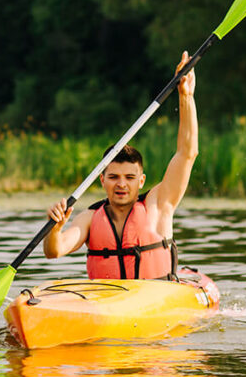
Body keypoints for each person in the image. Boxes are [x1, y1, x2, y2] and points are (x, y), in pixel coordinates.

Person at [43, 51, 197, 280]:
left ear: (141, 180)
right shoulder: (90, 218)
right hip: (109, 302)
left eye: (129, 177)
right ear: (102, 179)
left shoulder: (159, 204)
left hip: (157, 297)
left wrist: (185, 97)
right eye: (114, 177)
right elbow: (54, 251)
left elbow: (187, 153)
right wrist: (54, 228)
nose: (121, 184)